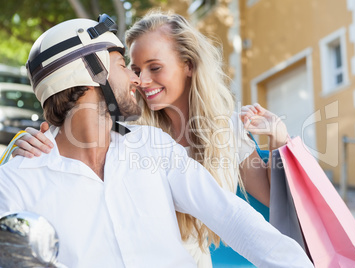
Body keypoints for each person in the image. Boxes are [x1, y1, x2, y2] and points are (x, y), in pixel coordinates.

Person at [0, 14, 314, 268]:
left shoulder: (153, 144)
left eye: (153, 68)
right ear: (90, 75)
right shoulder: (16, 180)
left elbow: (232, 215)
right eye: (126, 67)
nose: (137, 80)